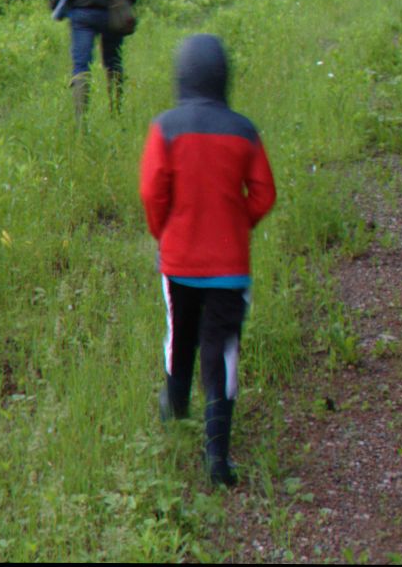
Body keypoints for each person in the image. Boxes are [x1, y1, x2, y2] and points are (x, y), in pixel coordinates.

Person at [139, 34, 277, 488]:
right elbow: (264, 195)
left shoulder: (165, 128)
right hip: (230, 266)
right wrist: (238, 223)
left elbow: (151, 191)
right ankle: (217, 456)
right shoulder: (244, 130)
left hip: (179, 261)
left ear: (181, 76)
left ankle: (175, 409)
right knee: (223, 352)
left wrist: (165, 231)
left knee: (180, 338)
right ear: (224, 77)